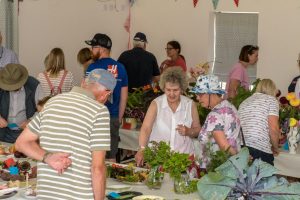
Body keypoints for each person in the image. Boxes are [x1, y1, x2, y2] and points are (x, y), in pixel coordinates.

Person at [15, 68, 117, 200]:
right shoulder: (99, 111)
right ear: (106, 94)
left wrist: (47, 157)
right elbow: (97, 168)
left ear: (83, 83)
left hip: (47, 195)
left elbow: (21, 143)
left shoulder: (52, 102)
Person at [135, 67, 201, 167]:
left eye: (175, 90)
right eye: (168, 90)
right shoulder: (156, 104)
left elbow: (197, 129)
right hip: (158, 158)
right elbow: (146, 128)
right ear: (163, 88)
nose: (171, 94)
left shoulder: (190, 105)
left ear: (182, 89)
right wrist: (142, 149)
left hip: (183, 159)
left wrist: (189, 131)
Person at [85, 33, 128, 162]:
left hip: (93, 118)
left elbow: (87, 94)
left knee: (94, 157)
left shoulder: (92, 68)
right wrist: (118, 118)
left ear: (102, 49)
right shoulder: (120, 67)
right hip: (112, 117)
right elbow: (124, 97)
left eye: (93, 47)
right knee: (111, 157)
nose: (91, 50)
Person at [190, 74, 241, 169]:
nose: (197, 98)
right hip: (228, 167)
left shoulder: (214, 115)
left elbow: (225, 147)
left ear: (211, 93)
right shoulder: (230, 107)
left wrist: (240, 162)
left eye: (200, 94)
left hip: (216, 170)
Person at [238, 79, 280, 165]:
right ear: (273, 89)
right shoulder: (271, 100)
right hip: (259, 147)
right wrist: (275, 147)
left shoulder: (245, 101)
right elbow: (273, 128)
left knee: (244, 178)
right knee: (265, 178)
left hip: (241, 146)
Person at [0, 64, 45, 143]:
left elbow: (43, 109)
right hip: (3, 134)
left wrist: (31, 120)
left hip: (28, 133)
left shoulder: (34, 85)